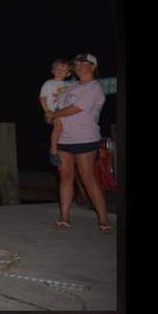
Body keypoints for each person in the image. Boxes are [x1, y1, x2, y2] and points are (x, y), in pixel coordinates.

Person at [48, 53, 112, 233]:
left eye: (85, 63)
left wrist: (54, 114)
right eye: (77, 63)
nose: (80, 65)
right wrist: (52, 121)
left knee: (88, 179)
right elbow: (58, 113)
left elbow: (75, 109)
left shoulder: (94, 88)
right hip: (63, 140)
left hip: (85, 139)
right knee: (65, 179)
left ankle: (104, 219)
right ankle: (64, 218)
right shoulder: (68, 88)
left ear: (93, 67)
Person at [40, 59, 77, 167]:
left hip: (65, 112)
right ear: (53, 71)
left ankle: (67, 149)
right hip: (54, 111)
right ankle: (53, 151)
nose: (60, 70)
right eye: (58, 68)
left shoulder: (69, 84)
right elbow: (42, 98)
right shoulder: (49, 83)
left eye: (64, 68)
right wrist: (46, 111)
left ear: (68, 73)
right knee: (58, 126)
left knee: (66, 129)